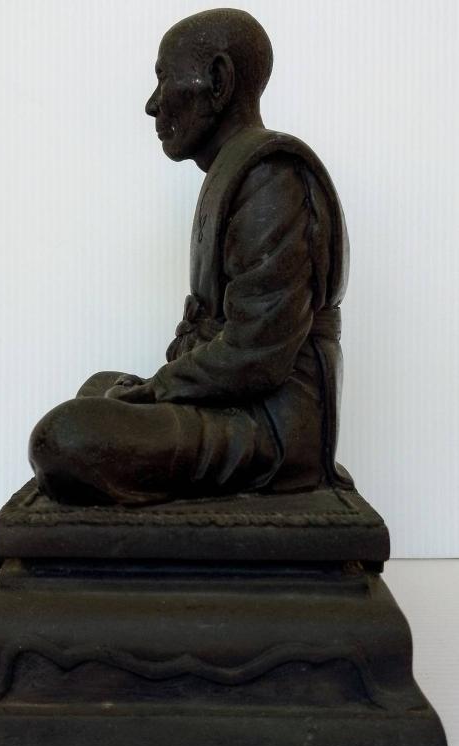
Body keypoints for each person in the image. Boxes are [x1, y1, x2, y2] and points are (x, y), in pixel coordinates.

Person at [28, 8, 353, 506]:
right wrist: (154, 388)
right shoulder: (236, 172)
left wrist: (159, 388)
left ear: (218, 82)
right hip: (238, 403)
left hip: (272, 427)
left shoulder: (272, 177)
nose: (153, 104)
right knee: (98, 389)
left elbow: (257, 354)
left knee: (64, 436)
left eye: (165, 79)